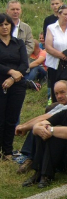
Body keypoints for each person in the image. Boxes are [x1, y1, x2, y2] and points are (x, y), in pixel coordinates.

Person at [22, 81, 67, 188]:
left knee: (54, 137)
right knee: (42, 133)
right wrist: (38, 128)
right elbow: (41, 124)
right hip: (62, 154)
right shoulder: (65, 113)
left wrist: (52, 130)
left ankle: (46, 175)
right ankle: (39, 172)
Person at [15, 81, 67, 174]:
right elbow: (43, 116)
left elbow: (46, 118)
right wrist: (24, 126)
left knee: (40, 125)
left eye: (62, 92)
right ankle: (29, 156)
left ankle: (29, 157)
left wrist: (24, 127)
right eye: (56, 93)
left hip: (63, 137)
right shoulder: (61, 105)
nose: (59, 96)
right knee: (38, 124)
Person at [0, 13, 28, 160]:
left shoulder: (18, 43)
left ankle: (7, 151)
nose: (4, 27)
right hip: (1, 83)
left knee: (11, 118)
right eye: (1, 25)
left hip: (17, 85)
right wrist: (10, 72)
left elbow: (25, 64)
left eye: (7, 24)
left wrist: (13, 78)